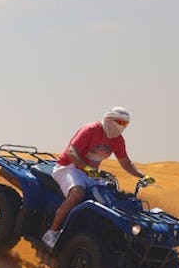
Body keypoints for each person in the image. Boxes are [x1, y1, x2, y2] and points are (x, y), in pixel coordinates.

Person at [41, 106, 155, 249]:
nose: (121, 127)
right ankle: (52, 232)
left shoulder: (118, 140)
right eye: (119, 122)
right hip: (69, 168)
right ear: (108, 119)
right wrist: (87, 168)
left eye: (125, 124)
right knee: (77, 193)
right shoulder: (90, 130)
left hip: (90, 174)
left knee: (109, 196)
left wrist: (142, 176)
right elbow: (71, 152)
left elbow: (125, 163)